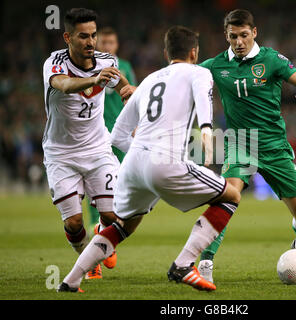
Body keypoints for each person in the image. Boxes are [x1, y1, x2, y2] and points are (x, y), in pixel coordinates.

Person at [57, 26, 241, 293]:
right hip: (165, 162)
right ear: (194, 52)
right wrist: (207, 133)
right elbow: (203, 101)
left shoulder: (149, 80)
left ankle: (70, 280)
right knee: (232, 196)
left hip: (133, 166)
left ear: (166, 53)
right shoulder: (200, 72)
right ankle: (184, 263)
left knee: (122, 227)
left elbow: (118, 135)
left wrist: (143, 151)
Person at [196, 9, 296, 283]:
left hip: (274, 145)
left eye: (243, 35)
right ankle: (204, 264)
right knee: (228, 196)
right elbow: (181, 75)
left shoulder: (272, 60)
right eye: (232, 36)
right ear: (226, 36)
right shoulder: (216, 65)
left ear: (254, 33)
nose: (238, 42)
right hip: (240, 142)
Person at [42, 8, 130, 281]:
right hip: (61, 153)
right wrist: (94, 79)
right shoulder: (54, 63)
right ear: (68, 37)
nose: (90, 42)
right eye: (83, 36)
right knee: (74, 221)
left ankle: (99, 239)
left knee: (114, 216)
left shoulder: (107, 60)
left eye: (93, 35)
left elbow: (120, 83)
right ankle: (88, 258)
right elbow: (65, 85)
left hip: (98, 149)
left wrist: (128, 93)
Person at [84, 27, 137, 244]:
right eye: (103, 43)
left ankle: (113, 219)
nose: (107, 46)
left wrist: (135, 125)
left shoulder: (123, 67)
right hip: (95, 132)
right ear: (97, 44)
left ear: (116, 45)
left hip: (120, 130)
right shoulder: (87, 66)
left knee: (121, 177)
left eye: (111, 43)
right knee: (92, 178)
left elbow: (132, 96)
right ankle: (95, 221)